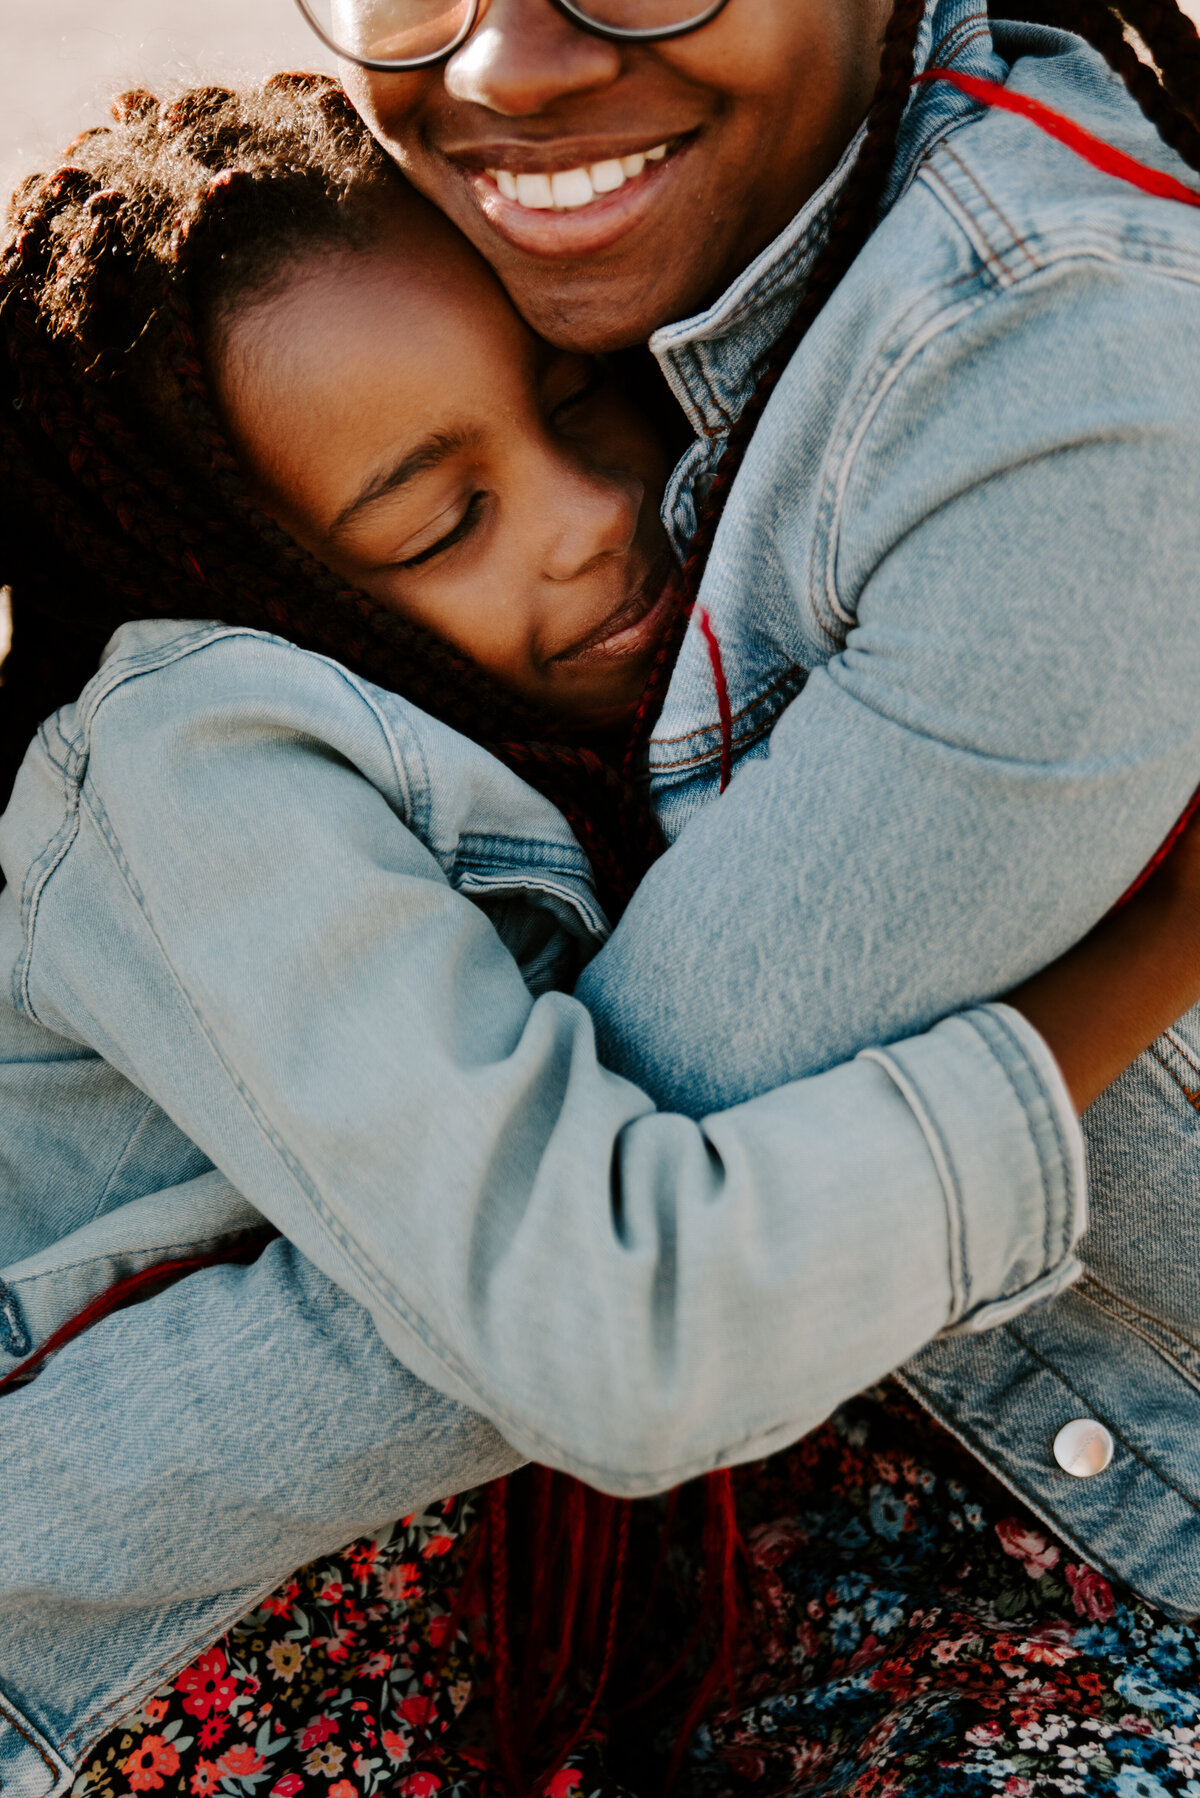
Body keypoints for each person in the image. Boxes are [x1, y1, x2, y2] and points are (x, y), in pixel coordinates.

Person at [3, 0, 1200, 1785]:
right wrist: (1155, 947)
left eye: (582, 407)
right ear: (238, 579)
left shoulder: (997, 374)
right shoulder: (192, 765)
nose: (586, 520)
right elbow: (624, 1314)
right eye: (436, 523)